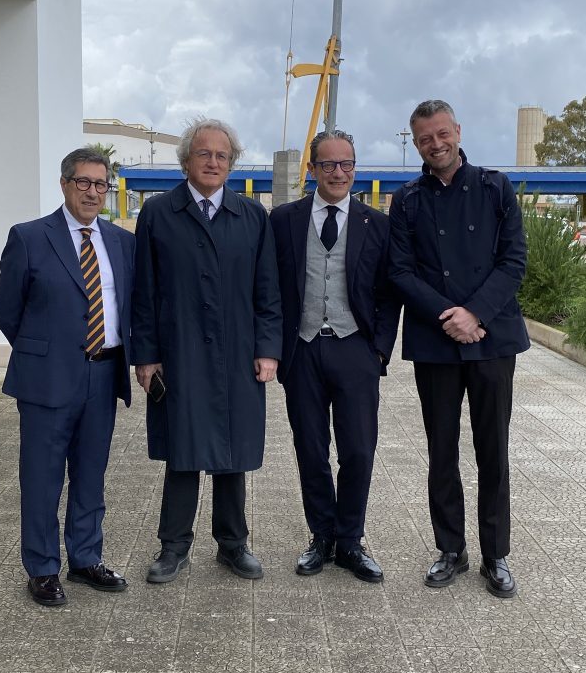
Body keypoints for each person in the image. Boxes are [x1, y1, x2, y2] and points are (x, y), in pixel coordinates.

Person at [388, 100, 530, 598]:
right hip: (436, 341)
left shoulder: (495, 187)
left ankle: (496, 554)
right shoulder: (407, 200)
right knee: (441, 450)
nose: (436, 144)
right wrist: (450, 316)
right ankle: (451, 549)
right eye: (425, 138)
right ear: (416, 143)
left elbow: (513, 260)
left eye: (442, 134)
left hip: (492, 339)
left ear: (458, 132)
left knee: (493, 449)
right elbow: (400, 271)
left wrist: (476, 314)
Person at [132, 117, 282, 584]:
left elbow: (268, 291)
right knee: (183, 450)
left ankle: (233, 544)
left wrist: (268, 349)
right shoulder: (158, 213)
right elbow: (144, 292)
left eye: (222, 155)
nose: (213, 162)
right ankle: (173, 546)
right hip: (179, 352)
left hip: (238, 353)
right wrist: (146, 355)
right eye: (204, 153)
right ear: (186, 161)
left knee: (232, 451)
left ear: (231, 164)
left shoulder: (253, 216)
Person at [0, 148, 134, 606]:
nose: (92, 192)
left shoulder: (121, 241)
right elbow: (7, 309)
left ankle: (85, 559)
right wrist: (42, 351)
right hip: (47, 379)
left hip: (104, 373)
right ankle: (41, 568)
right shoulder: (30, 237)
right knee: (42, 477)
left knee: (91, 475)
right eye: (83, 182)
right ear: (64, 184)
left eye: (100, 184)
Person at [270, 130, 400, 583]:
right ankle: (321, 537)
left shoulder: (376, 223)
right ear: (312, 170)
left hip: (355, 349)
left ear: (355, 168)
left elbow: (389, 292)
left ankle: (350, 540)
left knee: (359, 450)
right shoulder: (283, 220)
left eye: (346, 164)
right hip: (302, 350)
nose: (338, 172)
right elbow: (271, 287)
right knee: (311, 449)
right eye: (328, 164)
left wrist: (379, 350)